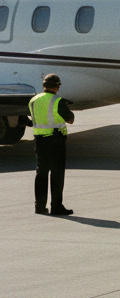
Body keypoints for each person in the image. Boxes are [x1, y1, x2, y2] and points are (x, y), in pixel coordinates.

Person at [31, 72, 75, 216]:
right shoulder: (58, 101)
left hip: (39, 140)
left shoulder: (33, 100)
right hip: (55, 141)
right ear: (57, 87)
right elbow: (70, 119)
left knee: (41, 172)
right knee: (57, 174)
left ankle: (40, 206)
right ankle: (56, 206)